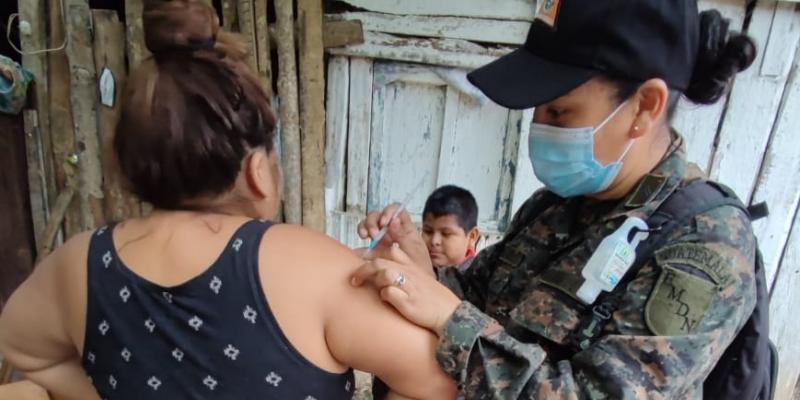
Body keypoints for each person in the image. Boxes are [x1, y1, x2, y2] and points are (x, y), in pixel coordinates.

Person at [0, 1, 457, 399]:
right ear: (258, 172)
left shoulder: (80, 263)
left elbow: (23, 346)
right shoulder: (312, 265)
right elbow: (438, 381)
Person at [353, 0, 765, 398]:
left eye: (560, 113)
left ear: (644, 107)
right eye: (539, 110)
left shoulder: (705, 247)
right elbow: (476, 296)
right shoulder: (556, 205)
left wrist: (449, 319)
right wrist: (420, 270)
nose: (540, 126)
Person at [421, 186, 481, 272]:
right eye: (428, 231)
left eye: (446, 234)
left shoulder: (477, 279)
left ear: (472, 236)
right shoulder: (415, 267)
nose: (434, 241)